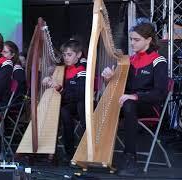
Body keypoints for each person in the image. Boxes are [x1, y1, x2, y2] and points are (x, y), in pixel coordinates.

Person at [101, 19, 168, 176]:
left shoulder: (159, 61)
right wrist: (109, 78)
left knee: (129, 104)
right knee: (101, 104)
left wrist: (135, 96)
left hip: (149, 106)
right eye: (131, 39)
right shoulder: (128, 61)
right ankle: (98, 153)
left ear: (149, 40)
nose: (132, 43)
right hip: (128, 103)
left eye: (136, 40)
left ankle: (130, 158)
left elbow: (159, 93)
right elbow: (120, 88)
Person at [42, 39, 87, 160]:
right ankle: (65, 151)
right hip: (65, 103)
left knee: (65, 111)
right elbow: (57, 83)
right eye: (64, 54)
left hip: (78, 104)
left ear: (78, 55)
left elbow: (79, 95)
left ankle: (73, 151)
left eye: (69, 54)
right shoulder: (62, 69)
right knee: (63, 111)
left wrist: (60, 89)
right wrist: (48, 80)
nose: (66, 58)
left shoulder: (82, 70)